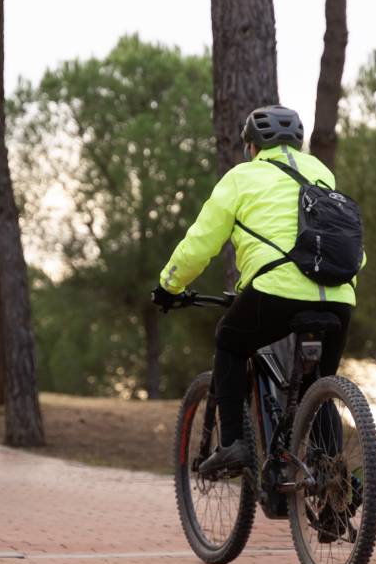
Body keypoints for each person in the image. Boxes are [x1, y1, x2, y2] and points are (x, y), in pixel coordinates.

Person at [151, 105, 359, 474]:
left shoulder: (241, 177)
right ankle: (332, 485)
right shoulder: (321, 173)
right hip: (340, 296)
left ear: (252, 146)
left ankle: (232, 443)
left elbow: (200, 243)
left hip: (275, 290)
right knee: (319, 385)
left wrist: (170, 285)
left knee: (230, 340)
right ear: (298, 142)